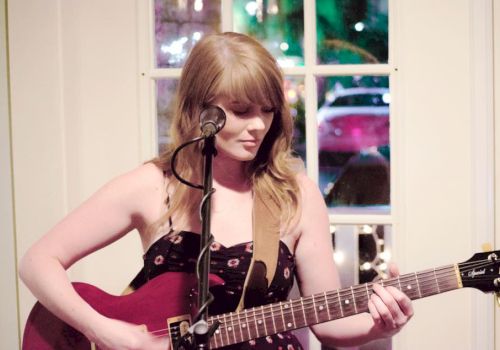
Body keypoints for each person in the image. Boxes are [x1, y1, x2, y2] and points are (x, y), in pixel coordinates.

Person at [19, 32, 413, 350]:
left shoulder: (297, 195)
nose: (259, 125)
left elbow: (329, 326)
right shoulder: (152, 185)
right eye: (242, 110)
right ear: (199, 110)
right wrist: (107, 332)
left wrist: (379, 326)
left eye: (268, 109)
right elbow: (38, 261)